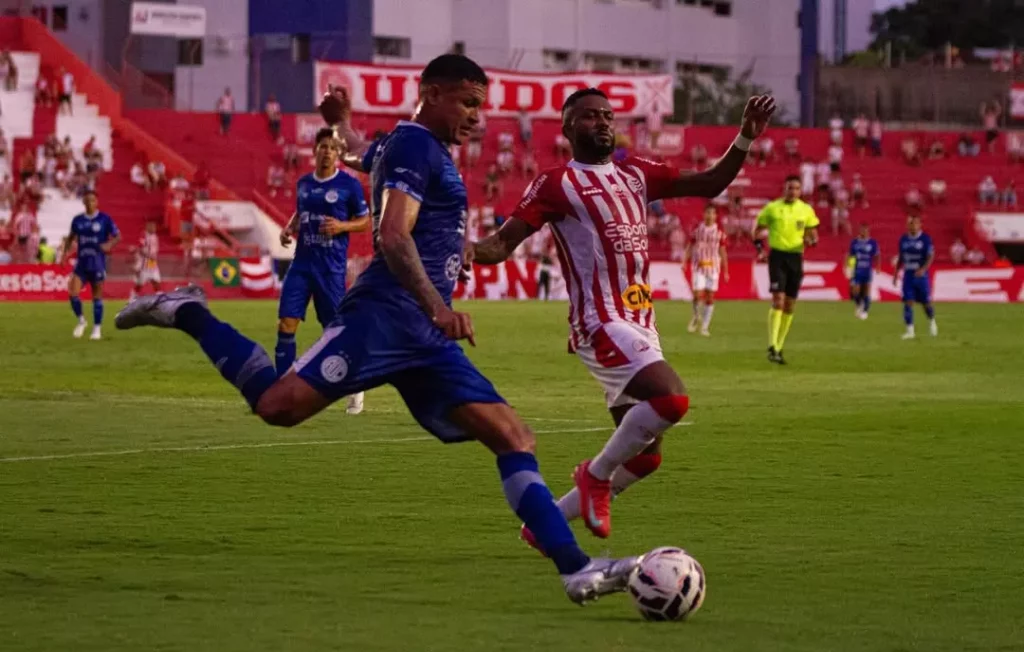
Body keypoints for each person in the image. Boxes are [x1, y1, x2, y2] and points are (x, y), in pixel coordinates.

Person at [117, 54, 642, 606]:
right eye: (467, 103)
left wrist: (340, 124)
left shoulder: (410, 144)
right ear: (432, 93)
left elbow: (365, 154)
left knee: (514, 437)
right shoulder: (417, 146)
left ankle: (577, 570)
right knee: (277, 407)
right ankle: (187, 310)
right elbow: (392, 235)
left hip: (424, 339)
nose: (475, 118)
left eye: (479, 107)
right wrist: (439, 306)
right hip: (385, 320)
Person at [466, 87, 776, 542]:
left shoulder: (635, 173)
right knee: (671, 400)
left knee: (646, 456)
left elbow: (710, 183)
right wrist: (467, 250)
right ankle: (595, 475)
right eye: (591, 117)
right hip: (600, 320)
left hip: (641, 323)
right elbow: (502, 243)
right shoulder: (556, 183)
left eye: (608, 115)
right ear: (570, 128)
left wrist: (745, 137)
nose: (604, 123)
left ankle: (543, 527)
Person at [277, 128, 370, 415]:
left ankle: (355, 384)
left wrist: (342, 226)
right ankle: (283, 390)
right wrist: (290, 227)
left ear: (338, 153)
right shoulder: (304, 183)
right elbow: (301, 210)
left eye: (332, 147)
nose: (327, 151)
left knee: (334, 332)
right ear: (315, 150)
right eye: (323, 146)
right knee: (286, 324)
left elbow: (364, 221)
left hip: (330, 269)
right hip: (302, 264)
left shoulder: (348, 185)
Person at [754, 175, 820, 365]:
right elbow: (757, 231)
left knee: (790, 304)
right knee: (778, 300)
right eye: (790, 187)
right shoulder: (773, 208)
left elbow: (813, 234)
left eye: (796, 188)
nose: (793, 191)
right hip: (777, 257)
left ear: (800, 191)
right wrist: (760, 250)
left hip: (796, 257)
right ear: (784, 188)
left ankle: (779, 347)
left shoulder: (806, 210)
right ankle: (772, 345)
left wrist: (812, 240)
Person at [62, 190, 120, 340]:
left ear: (97, 202)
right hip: (81, 263)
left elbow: (118, 236)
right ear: (83, 202)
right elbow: (70, 237)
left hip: (98, 263)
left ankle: (97, 328)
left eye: (93, 200)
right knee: (73, 292)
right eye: (87, 200)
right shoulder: (77, 220)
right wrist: (64, 255)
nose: (90, 203)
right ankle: (81, 321)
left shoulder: (104, 219)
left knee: (97, 296)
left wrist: (109, 245)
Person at [684, 204, 729, 336]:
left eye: (712, 213)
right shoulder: (697, 231)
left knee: (710, 297)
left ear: (716, 216)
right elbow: (690, 246)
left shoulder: (720, 234)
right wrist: (684, 261)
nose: (710, 216)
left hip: (713, 268)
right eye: (708, 213)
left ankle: (705, 326)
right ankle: (696, 316)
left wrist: (726, 271)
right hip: (699, 267)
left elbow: (723, 252)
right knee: (697, 295)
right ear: (704, 214)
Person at [894, 216, 937, 339]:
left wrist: (923, 269)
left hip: (921, 276)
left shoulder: (925, 239)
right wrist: (896, 273)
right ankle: (910, 331)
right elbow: (901, 257)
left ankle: (932, 321)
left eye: (914, 223)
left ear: (919, 225)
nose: (912, 226)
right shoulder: (903, 239)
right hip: (908, 275)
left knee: (926, 303)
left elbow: (930, 256)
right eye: (910, 223)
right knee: (908, 301)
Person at [848, 224, 880, 320]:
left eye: (865, 230)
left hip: (867, 270)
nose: (864, 232)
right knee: (855, 291)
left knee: (866, 291)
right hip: (857, 270)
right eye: (862, 230)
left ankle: (865, 311)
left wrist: (878, 267)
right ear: (859, 231)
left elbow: (877, 256)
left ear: (868, 231)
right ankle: (859, 304)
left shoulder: (872, 243)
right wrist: (849, 267)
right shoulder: (854, 243)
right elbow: (851, 256)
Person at [130, 221, 162, 302]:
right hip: (145, 264)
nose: (154, 228)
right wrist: (149, 256)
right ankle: (132, 299)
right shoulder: (144, 235)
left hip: (153, 264)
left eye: (155, 226)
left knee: (156, 282)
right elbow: (141, 249)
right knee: (139, 285)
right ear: (147, 227)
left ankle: (160, 301)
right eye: (152, 226)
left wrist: (154, 257)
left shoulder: (155, 236)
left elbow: (154, 250)